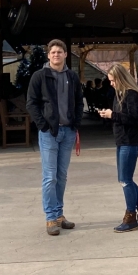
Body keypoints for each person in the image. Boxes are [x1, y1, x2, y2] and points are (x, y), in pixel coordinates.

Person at [27, 39, 83, 236]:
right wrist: (43, 125)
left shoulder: (72, 77)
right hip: (49, 133)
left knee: (62, 176)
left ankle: (59, 215)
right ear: (48, 55)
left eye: (60, 52)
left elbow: (78, 102)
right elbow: (31, 104)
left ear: (66, 54)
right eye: (53, 52)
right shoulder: (39, 77)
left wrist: (75, 124)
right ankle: (50, 218)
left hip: (67, 132)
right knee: (49, 177)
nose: (56, 55)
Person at [98, 65, 138, 232]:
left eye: (113, 81)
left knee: (125, 180)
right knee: (126, 179)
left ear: (121, 78)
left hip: (131, 141)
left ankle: (131, 216)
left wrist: (111, 115)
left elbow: (133, 118)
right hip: (123, 141)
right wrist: (109, 114)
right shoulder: (119, 94)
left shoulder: (131, 94)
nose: (111, 84)